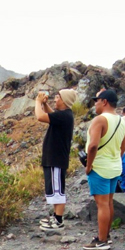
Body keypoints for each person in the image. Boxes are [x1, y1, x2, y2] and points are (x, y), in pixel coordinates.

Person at [84, 89, 125, 250]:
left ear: (105, 102)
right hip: (115, 166)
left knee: (101, 205)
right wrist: (115, 159)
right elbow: (122, 148)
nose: (95, 103)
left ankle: (101, 241)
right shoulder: (122, 121)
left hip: (100, 167)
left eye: (97, 100)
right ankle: (106, 236)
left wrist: (89, 166)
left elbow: (93, 145)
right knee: (108, 202)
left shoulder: (100, 120)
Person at [35, 89, 78, 230]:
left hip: (56, 158)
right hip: (54, 158)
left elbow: (41, 117)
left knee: (58, 189)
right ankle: (55, 217)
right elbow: (51, 115)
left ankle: (58, 221)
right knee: (54, 189)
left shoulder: (65, 115)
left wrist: (38, 102)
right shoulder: (63, 115)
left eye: (58, 97)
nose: (55, 99)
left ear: (64, 100)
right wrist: (45, 105)